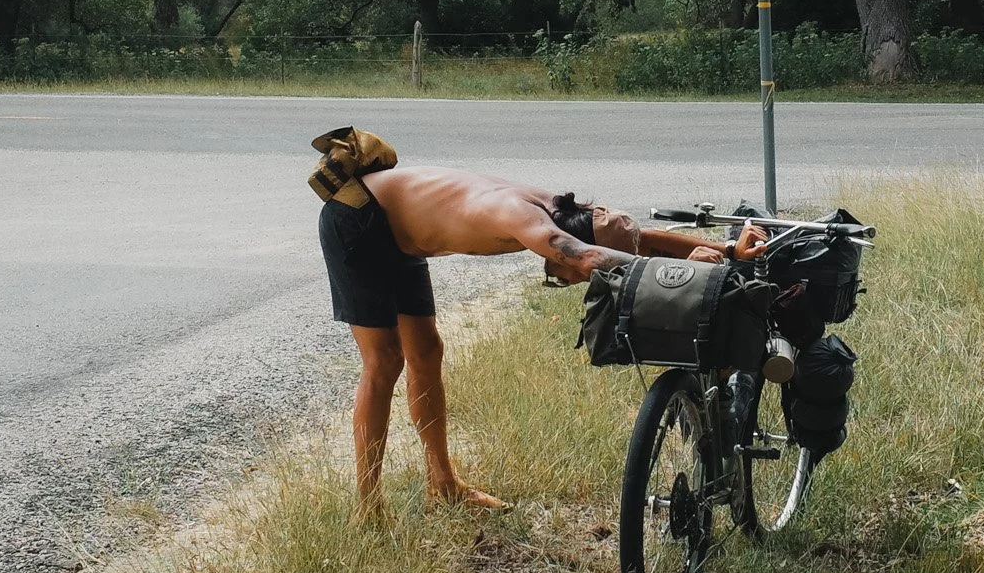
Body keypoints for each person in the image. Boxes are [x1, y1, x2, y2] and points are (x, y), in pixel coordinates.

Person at [309, 128, 757, 516]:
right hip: (359, 216)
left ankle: (442, 485)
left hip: (401, 231)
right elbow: (587, 258)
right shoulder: (525, 218)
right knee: (385, 361)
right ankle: (368, 507)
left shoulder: (561, 208)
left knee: (426, 351)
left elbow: (629, 238)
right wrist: (689, 272)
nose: (563, 279)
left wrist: (725, 252)